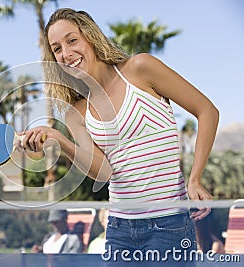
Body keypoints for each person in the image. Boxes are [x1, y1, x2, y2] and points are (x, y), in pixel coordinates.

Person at [18, 8, 219, 258]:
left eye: (72, 40)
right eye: (57, 49)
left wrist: (195, 178)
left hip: (169, 223)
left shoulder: (140, 69)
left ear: (90, 37)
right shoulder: (76, 111)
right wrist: (59, 139)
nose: (66, 54)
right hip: (119, 229)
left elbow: (207, 111)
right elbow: (104, 172)